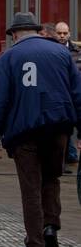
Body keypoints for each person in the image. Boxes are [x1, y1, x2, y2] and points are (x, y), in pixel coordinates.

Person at [0, 12, 81, 247]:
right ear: (38, 31)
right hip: (58, 127)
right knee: (51, 178)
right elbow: (77, 93)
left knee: (30, 186)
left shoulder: (7, 59)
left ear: (15, 34)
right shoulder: (62, 54)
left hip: (24, 131)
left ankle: (35, 245)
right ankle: (51, 227)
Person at [51, 22, 80, 171]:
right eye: (59, 33)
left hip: (74, 94)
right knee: (62, 128)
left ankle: (70, 155)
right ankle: (63, 161)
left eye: (64, 33)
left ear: (69, 33)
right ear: (54, 33)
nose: (62, 36)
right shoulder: (50, 51)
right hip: (59, 96)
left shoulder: (77, 52)